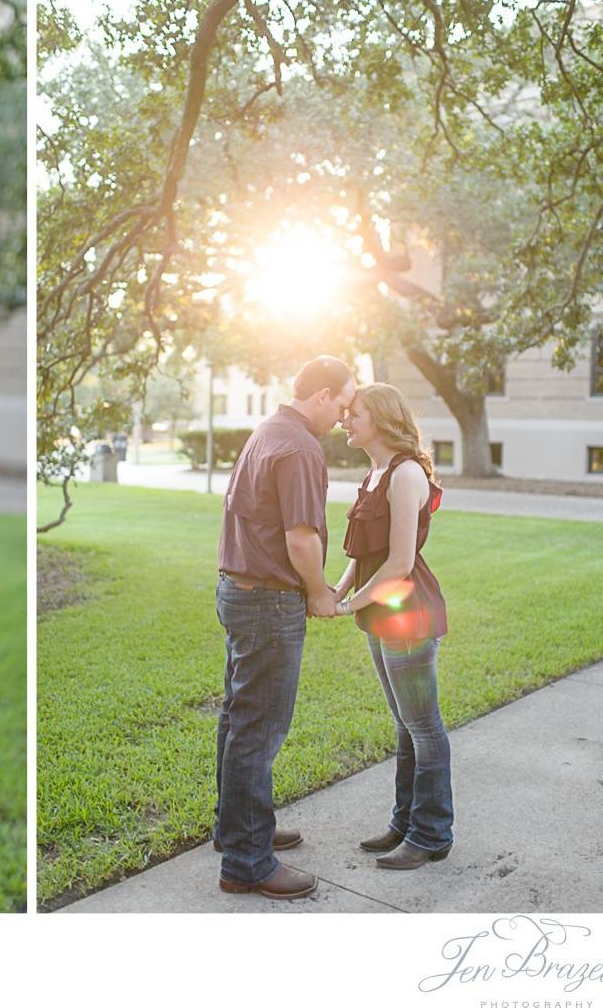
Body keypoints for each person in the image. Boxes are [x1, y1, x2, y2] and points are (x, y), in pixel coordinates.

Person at [212, 355, 355, 901]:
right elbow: (301, 537)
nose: (343, 417)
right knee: (258, 728)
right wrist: (319, 593)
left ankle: (238, 829)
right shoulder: (299, 446)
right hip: (269, 602)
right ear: (320, 395)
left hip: (238, 591)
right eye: (342, 404)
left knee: (238, 718)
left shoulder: (268, 430)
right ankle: (247, 863)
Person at [333, 383, 452, 870]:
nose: (344, 420)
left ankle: (431, 833)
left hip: (406, 611)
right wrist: (336, 592)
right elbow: (365, 554)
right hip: (380, 610)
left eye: (353, 413)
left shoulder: (404, 474)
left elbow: (400, 562)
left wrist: (348, 605)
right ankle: (404, 823)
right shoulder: (375, 471)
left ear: (380, 418)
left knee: (423, 727)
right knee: (405, 724)